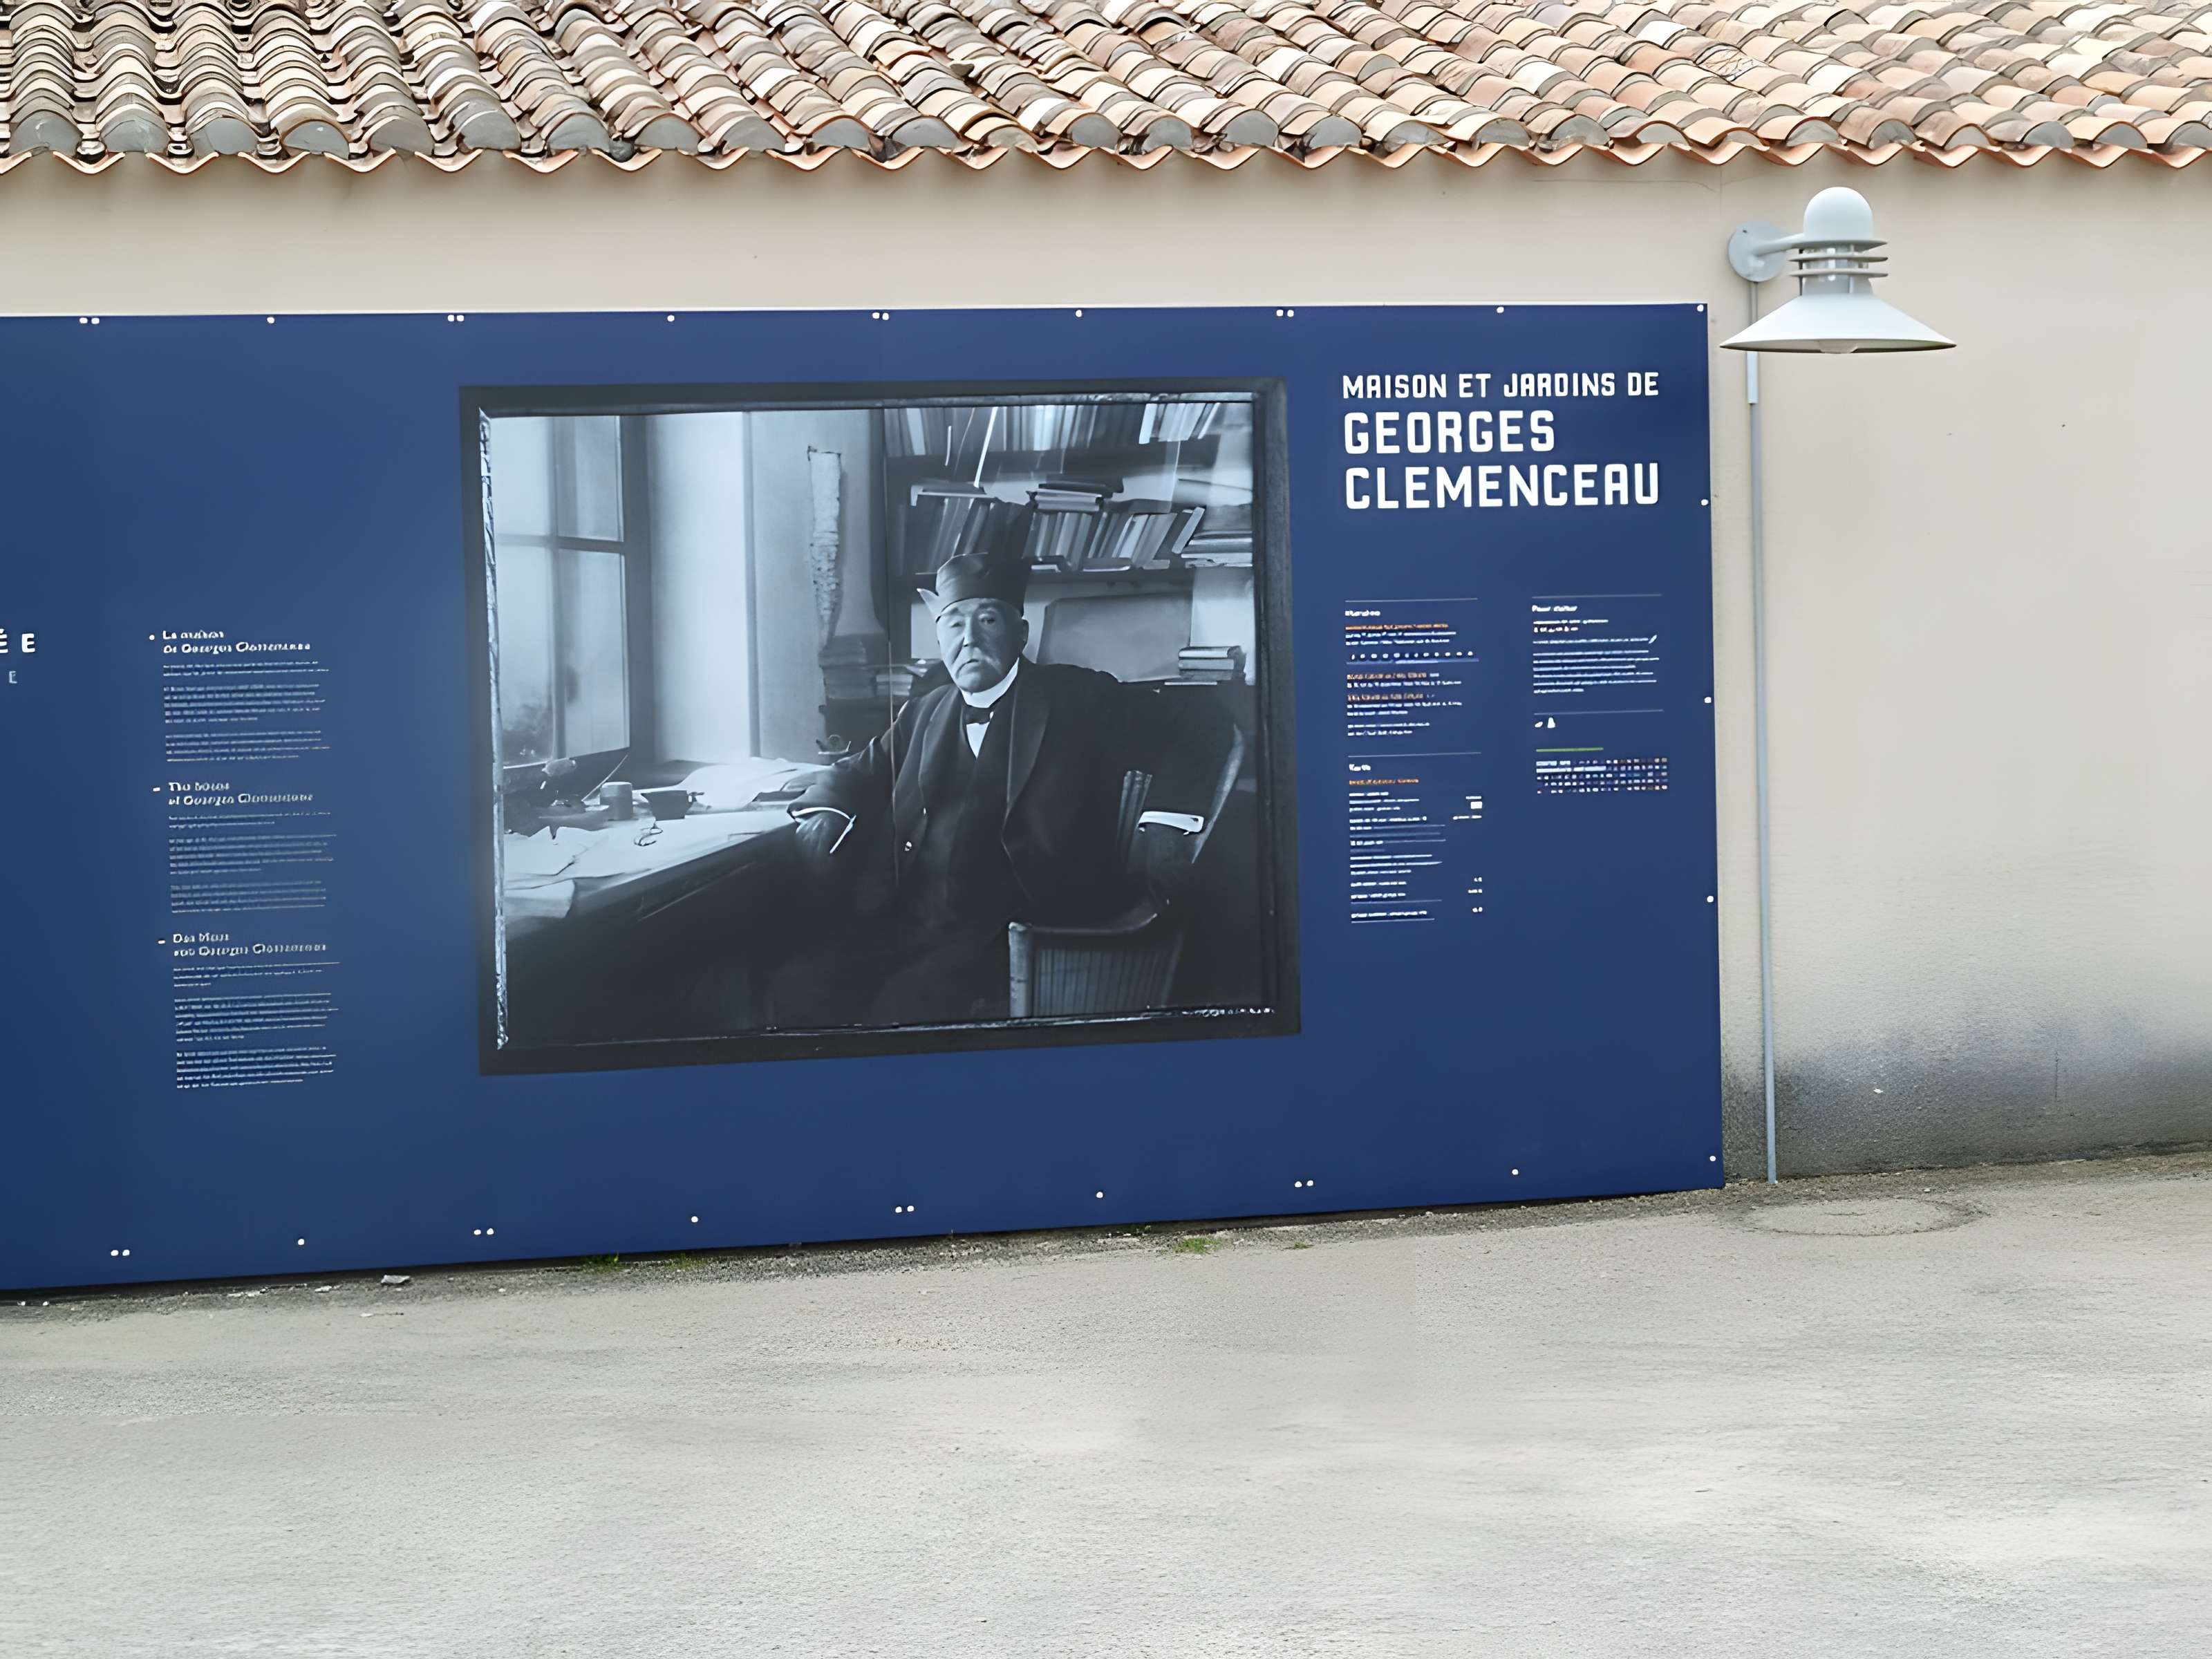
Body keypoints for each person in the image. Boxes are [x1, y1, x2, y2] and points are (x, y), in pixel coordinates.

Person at [771, 550, 1165, 1027]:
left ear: (1020, 634)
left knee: (904, 1011)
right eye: (954, 624)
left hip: (1018, 924)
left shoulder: (1079, 699)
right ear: (939, 638)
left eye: (988, 620)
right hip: (911, 917)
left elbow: (1199, 730)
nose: (970, 639)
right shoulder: (924, 711)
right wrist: (824, 813)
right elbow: (856, 770)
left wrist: (1167, 824)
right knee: (799, 986)